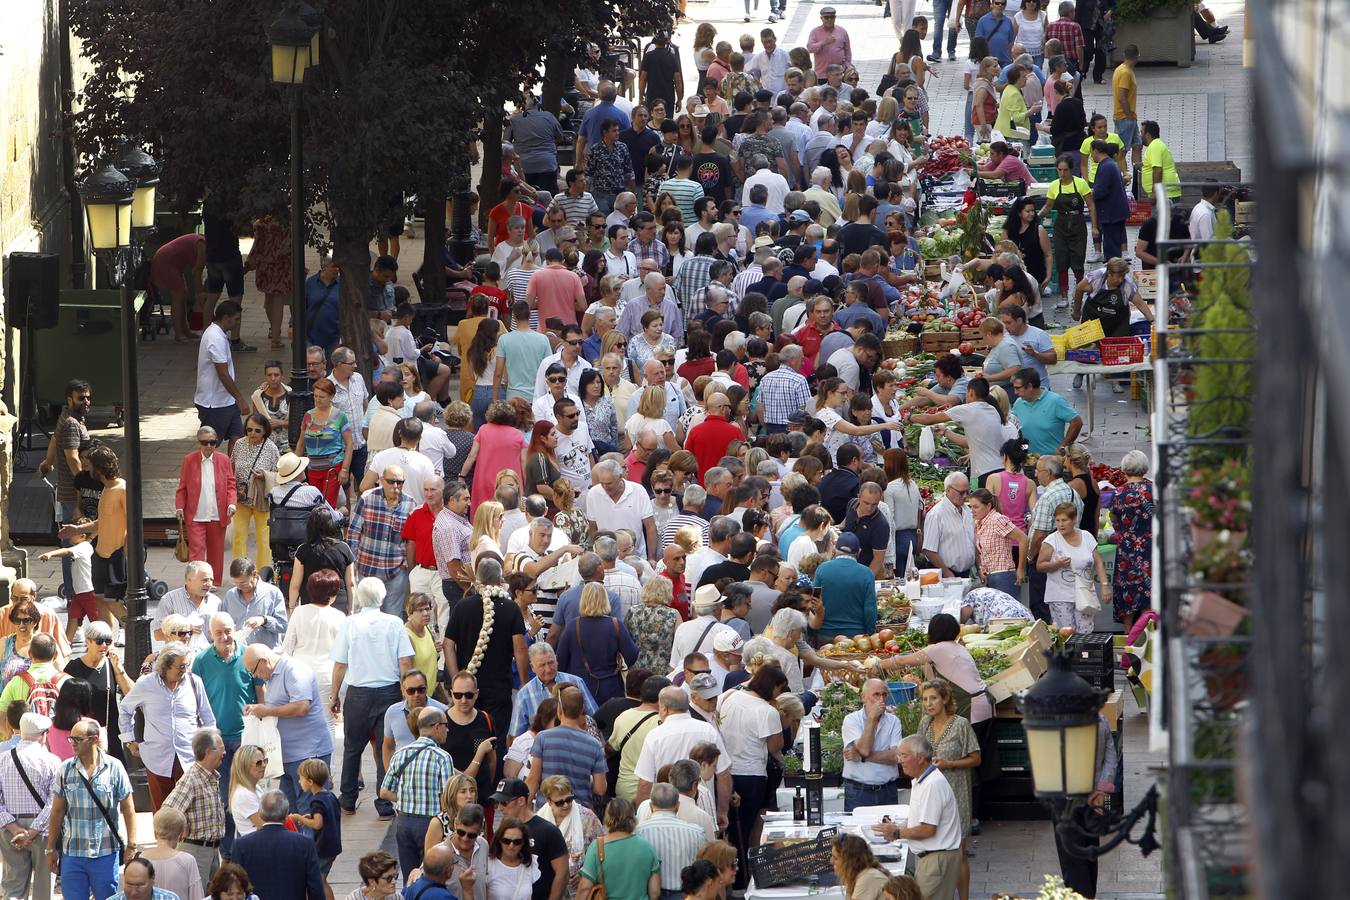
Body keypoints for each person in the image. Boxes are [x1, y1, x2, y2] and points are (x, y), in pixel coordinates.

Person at [330, 577, 415, 819]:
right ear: (382, 597)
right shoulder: (395, 623)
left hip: (358, 693)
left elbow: (340, 664)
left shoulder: (350, 623)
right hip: (389, 691)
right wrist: (406, 690)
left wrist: (334, 695)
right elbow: (405, 661)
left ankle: (347, 800)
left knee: (352, 748)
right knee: (384, 748)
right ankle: (384, 802)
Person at [41, 717, 138, 900]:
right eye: (71, 739)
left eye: (78, 739)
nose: (72, 743)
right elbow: (57, 812)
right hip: (73, 854)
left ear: (94, 740)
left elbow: (128, 809)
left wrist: (132, 845)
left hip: (106, 853)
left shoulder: (114, 767)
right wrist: (50, 848)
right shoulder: (65, 769)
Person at [118, 641, 216, 807]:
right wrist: (129, 740)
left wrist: (211, 748)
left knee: (193, 811)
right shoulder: (146, 684)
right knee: (163, 814)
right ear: (166, 666)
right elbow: (125, 709)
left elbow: (207, 717)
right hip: (157, 759)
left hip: (190, 758)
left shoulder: (194, 682)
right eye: (181, 667)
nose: (184, 670)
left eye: (186, 665)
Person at [715, 665, 787, 883]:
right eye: (779, 689)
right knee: (745, 829)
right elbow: (775, 745)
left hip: (725, 770)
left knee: (729, 828)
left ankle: (730, 876)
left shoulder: (729, 697)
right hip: (752, 773)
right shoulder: (766, 711)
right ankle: (742, 878)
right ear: (772, 687)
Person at [868, 735, 962, 900]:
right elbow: (920, 819)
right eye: (899, 755)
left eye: (904, 755)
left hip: (937, 860)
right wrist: (898, 827)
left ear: (920, 758)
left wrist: (897, 833)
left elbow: (928, 829)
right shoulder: (923, 781)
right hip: (933, 858)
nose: (900, 760)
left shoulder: (932, 784)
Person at [916, 680, 981, 900]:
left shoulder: (960, 724)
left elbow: (976, 758)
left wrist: (950, 764)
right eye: (925, 699)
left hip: (957, 792)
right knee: (937, 850)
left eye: (933, 698)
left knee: (959, 851)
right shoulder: (924, 724)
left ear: (944, 699)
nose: (929, 703)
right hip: (931, 793)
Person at [381, 706, 457, 879]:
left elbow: (385, 792)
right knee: (432, 874)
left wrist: (409, 798)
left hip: (404, 823)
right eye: (445, 725)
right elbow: (448, 798)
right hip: (431, 824)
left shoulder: (401, 754)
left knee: (410, 876)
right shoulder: (442, 757)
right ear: (436, 726)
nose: (447, 729)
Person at [0, 711, 60, 900]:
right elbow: (54, 803)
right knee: (44, 886)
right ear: (43, 735)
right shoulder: (52, 761)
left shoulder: (2, 759)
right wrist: (32, 831)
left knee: (13, 886)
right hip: (43, 828)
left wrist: (14, 828)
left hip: (9, 827)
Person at [161, 727, 228, 891]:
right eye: (221, 749)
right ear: (208, 752)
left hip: (211, 850)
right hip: (196, 851)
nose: (224, 753)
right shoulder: (192, 779)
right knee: (197, 894)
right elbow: (167, 810)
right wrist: (182, 825)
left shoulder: (210, 776)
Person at [347, 465, 417, 615]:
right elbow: (353, 534)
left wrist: (406, 566)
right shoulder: (367, 498)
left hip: (395, 572)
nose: (396, 486)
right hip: (367, 569)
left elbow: (411, 541)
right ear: (381, 480)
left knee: (392, 618)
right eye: (391, 481)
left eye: (400, 482)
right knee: (364, 617)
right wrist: (352, 566)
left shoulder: (410, 504)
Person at [232, 791, 326, 900]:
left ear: (260, 813)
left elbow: (235, 885)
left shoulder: (241, 845)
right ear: (286, 814)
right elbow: (315, 888)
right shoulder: (304, 844)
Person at [557, 585, 640, 705]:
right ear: (605, 600)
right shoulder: (615, 625)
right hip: (611, 688)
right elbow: (631, 657)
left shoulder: (573, 626)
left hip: (580, 688)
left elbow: (561, 662)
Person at [175, 426, 238, 580]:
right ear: (199, 443)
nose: (209, 446)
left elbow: (231, 484)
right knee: (196, 551)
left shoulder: (224, 460)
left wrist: (231, 503)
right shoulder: (189, 460)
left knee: (216, 551)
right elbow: (182, 487)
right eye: (205, 442)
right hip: (196, 514)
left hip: (217, 514)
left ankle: (214, 582)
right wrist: (179, 506)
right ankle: (195, 581)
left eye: (212, 442)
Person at [1037, 501, 1109, 632]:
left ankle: (1084, 653)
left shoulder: (1087, 536)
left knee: (1085, 632)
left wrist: (1104, 585)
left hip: (1084, 594)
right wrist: (1057, 564)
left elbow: (1098, 562)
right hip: (1060, 595)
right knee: (1066, 634)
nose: (1060, 524)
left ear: (1074, 519)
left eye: (1064, 520)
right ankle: (1068, 653)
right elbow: (1040, 566)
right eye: (1057, 520)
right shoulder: (1051, 540)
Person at [575, 798, 660, 900]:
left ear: (607, 818)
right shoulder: (647, 847)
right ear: (632, 817)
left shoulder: (597, 847)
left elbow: (584, 888)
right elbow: (655, 892)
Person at [839, 679, 903, 812]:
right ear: (863, 697)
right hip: (859, 791)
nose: (881, 699)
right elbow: (864, 748)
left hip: (887, 790)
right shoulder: (851, 720)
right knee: (857, 832)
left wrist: (862, 758)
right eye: (876, 694)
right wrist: (872, 718)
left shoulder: (894, 721)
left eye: (884, 695)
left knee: (889, 832)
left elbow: (895, 756)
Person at [194, 302, 250, 453]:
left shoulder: (218, 333)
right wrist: (240, 399)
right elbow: (223, 374)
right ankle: (204, 472)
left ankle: (231, 472)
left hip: (226, 400)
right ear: (226, 318)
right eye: (236, 319)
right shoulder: (215, 338)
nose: (238, 322)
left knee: (237, 437)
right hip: (215, 403)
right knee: (209, 444)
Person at [1109, 450, 1154, 632]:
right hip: (1149, 548)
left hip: (1127, 549)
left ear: (1124, 469)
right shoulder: (1153, 491)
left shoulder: (1119, 494)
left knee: (1127, 592)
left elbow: (1114, 520)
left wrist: (1124, 533)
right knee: (1147, 591)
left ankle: (1128, 636)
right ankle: (1149, 634)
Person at [635, 783, 704, 900]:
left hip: (651, 894)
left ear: (651, 806)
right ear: (677, 806)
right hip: (685, 894)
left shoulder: (638, 832)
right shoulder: (697, 832)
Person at [813, 533, 878, 640]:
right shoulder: (866, 573)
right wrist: (871, 633)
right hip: (856, 637)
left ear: (835, 549)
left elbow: (813, 600)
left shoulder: (822, 569)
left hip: (826, 634)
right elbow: (870, 609)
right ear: (859, 552)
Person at [1011, 368, 1083, 456]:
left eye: (1018, 388)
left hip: (1051, 461)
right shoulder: (1018, 403)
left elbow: (1077, 422)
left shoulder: (1055, 401)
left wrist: (1063, 446)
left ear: (1029, 386)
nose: (1015, 392)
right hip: (1027, 459)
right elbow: (1012, 426)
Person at [139, 807, 207, 900]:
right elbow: (197, 896)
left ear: (155, 832)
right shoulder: (187, 860)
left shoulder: (141, 859)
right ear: (181, 834)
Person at [829, 833, 890, 900]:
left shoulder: (868, 878)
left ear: (850, 861)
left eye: (836, 858)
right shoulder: (859, 875)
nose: (831, 861)